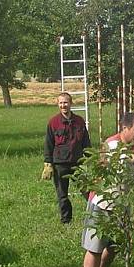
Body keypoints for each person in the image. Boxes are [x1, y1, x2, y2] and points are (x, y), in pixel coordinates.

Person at [82, 112, 134, 267]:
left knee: (114, 246)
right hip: (103, 203)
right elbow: (102, 167)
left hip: (122, 205)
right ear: (124, 128)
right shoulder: (112, 144)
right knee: (95, 246)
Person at [42, 91, 91, 224]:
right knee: (62, 195)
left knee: (87, 191)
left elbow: (86, 142)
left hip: (77, 163)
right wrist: (48, 163)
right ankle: (66, 220)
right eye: (61, 103)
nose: (63, 105)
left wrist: (91, 159)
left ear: (71, 103)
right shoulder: (53, 122)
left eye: (66, 102)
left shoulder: (79, 121)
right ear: (58, 104)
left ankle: (94, 215)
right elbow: (48, 143)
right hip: (60, 164)